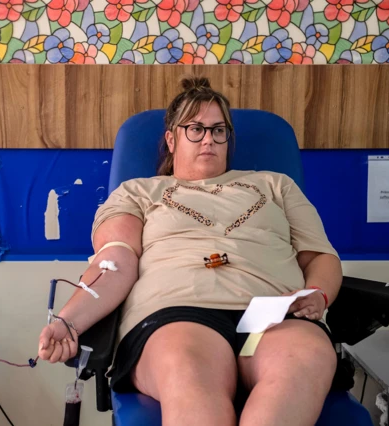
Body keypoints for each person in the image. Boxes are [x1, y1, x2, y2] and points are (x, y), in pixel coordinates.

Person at [38, 76, 342, 426]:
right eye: (195, 129)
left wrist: (318, 293)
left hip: (272, 314)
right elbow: (114, 262)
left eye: (218, 130)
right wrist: (69, 321)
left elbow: (320, 256)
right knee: (192, 382)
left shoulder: (276, 186)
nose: (209, 139)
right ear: (171, 139)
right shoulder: (137, 192)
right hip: (179, 313)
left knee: (299, 366)